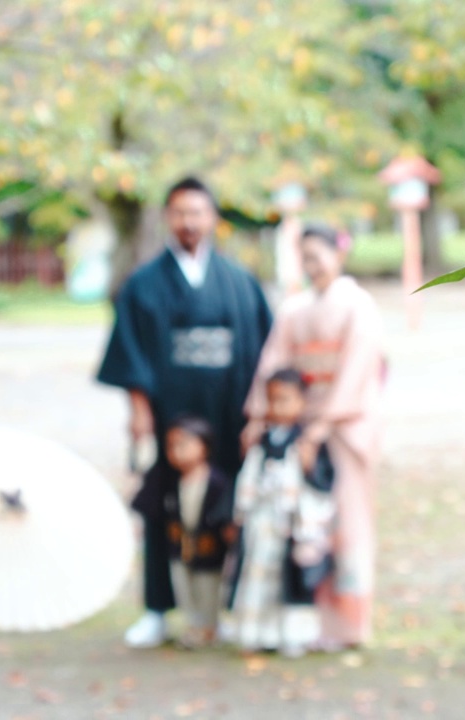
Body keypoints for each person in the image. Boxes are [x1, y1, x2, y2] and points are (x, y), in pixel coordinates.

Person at [97, 177, 272, 648]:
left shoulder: (239, 282)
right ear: (167, 218)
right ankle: (157, 609)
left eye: (198, 212)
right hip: (168, 414)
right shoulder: (144, 284)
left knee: (231, 507)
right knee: (162, 507)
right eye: (179, 212)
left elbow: (264, 353)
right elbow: (130, 354)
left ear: (213, 217)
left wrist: (258, 416)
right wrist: (139, 412)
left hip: (228, 415)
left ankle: (226, 609)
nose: (189, 221)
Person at [242, 225, 386, 649]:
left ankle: (351, 624)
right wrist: (259, 415)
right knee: (306, 524)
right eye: (303, 256)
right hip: (300, 424)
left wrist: (325, 423)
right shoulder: (294, 309)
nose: (310, 264)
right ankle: (311, 619)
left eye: (317, 254)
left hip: (346, 425)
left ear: (338, 255)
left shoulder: (359, 305)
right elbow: (274, 362)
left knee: (349, 522)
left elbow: (361, 366)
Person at [232, 368, 335, 657]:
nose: (277, 407)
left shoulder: (308, 442)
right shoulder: (261, 440)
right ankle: (259, 633)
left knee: (292, 581)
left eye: (285, 399)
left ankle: (294, 635)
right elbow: (250, 479)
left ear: (302, 401)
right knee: (260, 578)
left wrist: (309, 467)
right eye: (272, 400)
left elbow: (324, 484)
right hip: (263, 522)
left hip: (293, 524)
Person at [151, 417, 235, 648]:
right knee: (184, 587)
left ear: (204, 446)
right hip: (181, 546)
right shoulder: (170, 482)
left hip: (209, 549)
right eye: (172, 446)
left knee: (208, 587)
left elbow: (224, 513)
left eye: (184, 444)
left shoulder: (216, 481)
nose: (177, 452)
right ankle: (194, 625)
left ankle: (210, 627)